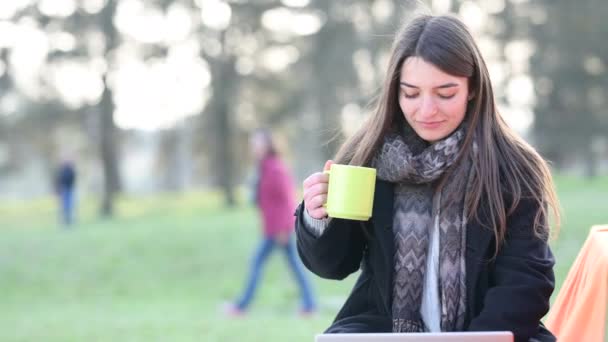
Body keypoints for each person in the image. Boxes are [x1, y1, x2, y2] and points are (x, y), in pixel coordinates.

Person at [295, 15, 560, 342]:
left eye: (445, 93)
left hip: (491, 332)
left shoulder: (512, 167)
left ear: (473, 87)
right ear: (395, 91)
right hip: (382, 331)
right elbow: (332, 266)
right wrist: (317, 217)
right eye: (411, 93)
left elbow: (526, 282)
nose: (426, 110)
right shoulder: (368, 156)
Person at [227, 129, 316, 315]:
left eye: (257, 143)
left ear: (267, 145)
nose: (254, 148)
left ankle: (241, 306)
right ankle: (309, 304)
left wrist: (284, 229)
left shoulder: (275, 168)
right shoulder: (264, 168)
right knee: (293, 265)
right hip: (273, 229)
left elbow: (287, 200)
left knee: (257, 262)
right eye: (253, 144)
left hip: (279, 230)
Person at [55, 157, 77, 226]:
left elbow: (73, 178)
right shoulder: (62, 170)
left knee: (70, 206)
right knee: (64, 206)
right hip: (64, 189)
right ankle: (64, 221)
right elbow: (59, 180)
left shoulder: (70, 170)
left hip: (70, 189)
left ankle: (70, 221)